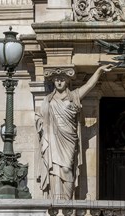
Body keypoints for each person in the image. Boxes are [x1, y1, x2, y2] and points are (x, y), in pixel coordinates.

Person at [35, 65, 112, 199]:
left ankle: (67, 202)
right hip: (52, 137)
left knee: (67, 169)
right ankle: (56, 201)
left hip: (69, 137)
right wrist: (41, 123)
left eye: (62, 79)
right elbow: (39, 116)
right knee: (54, 169)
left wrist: (99, 71)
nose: (59, 82)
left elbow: (88, 86)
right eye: (57, 79)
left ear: (67, 81)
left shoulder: (74, 96)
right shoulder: (48, 100)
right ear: (53, 81)